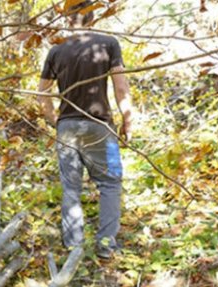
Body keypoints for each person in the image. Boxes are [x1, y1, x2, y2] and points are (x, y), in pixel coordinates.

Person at [37, 0, 134, 259]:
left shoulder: (56, 51)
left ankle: (74, 247)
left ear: (68, 19)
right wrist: (127, 119)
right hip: (102, 127)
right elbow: (120, 87)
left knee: (71, 187)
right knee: (111, 182)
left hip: (67, 128)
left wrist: (53, 120)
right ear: (93, 18)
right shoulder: (109, 44)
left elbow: (42, 94)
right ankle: (105, 245)